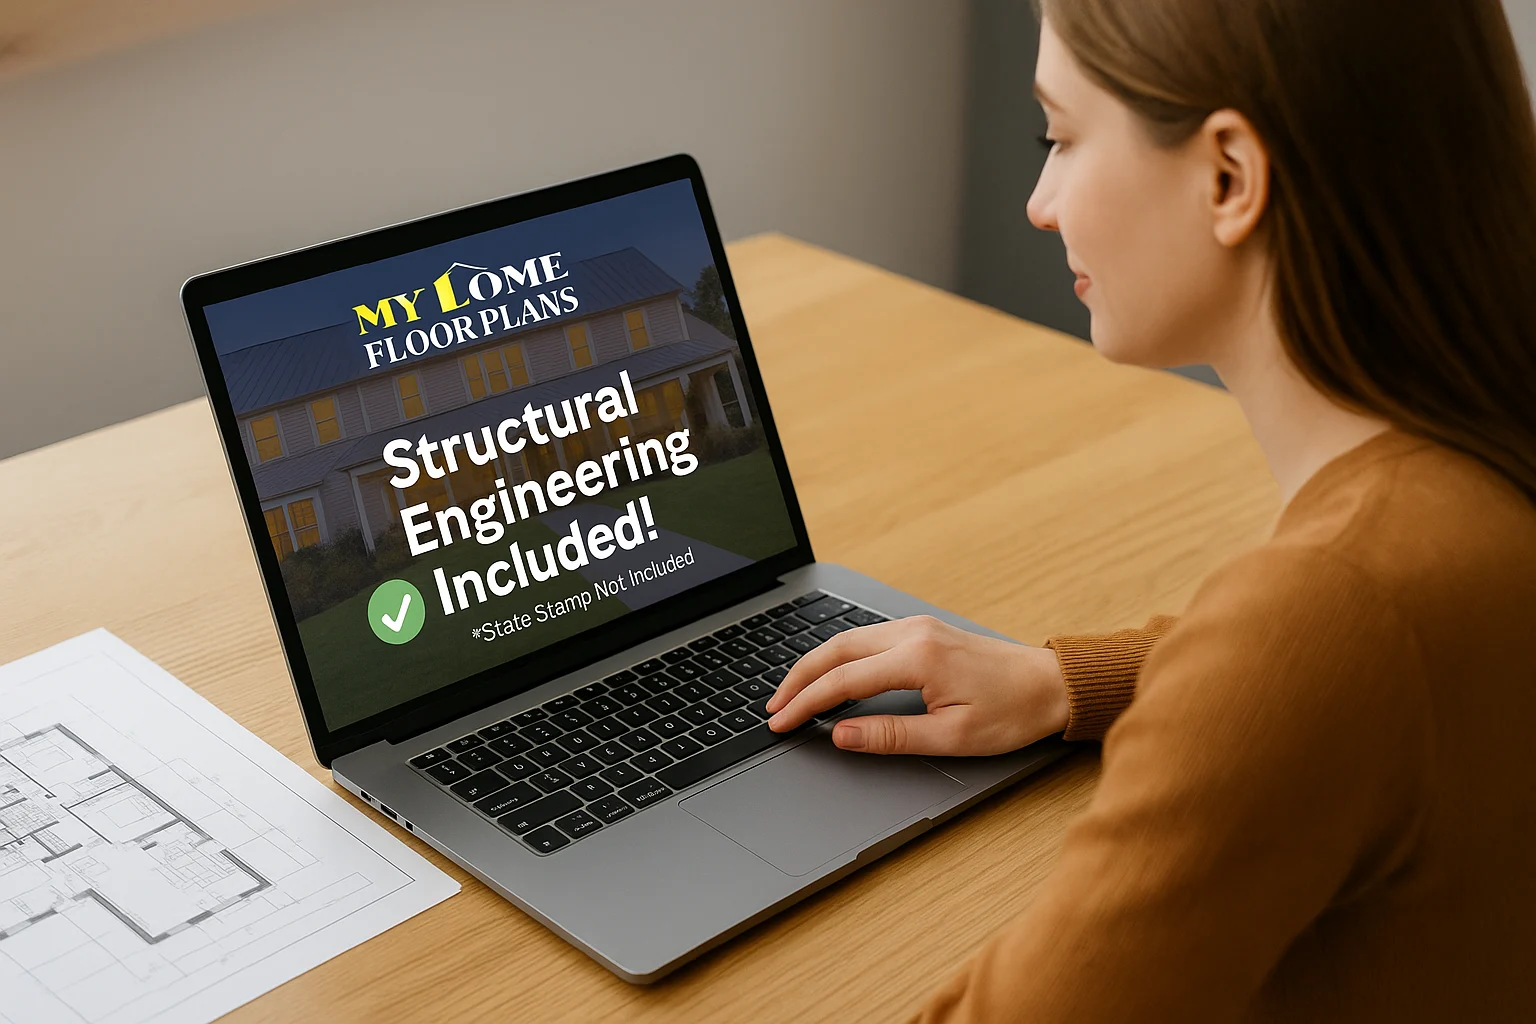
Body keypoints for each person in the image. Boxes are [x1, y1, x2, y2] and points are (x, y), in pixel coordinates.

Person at [763, 0, 1536, 1019]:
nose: (1040, 203)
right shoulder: (1473, 488)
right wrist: (1062, 681)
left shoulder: (1331, 612)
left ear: (1229, 177)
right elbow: (1333, 681)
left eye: (1063, 136)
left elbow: (1314, 653)